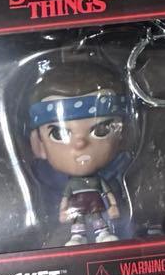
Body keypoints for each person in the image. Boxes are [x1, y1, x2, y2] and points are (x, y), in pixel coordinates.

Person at [26, 59, 129, 245]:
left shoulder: (119, 177)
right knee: (78, 225)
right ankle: (78, 237)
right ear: (38, 144)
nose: (80, 143)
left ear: (124, 135)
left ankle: (101, 234)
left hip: (98, 210)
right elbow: (64, 201)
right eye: (59, 134)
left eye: (101, 130)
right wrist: (62, 213)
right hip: (70, 221)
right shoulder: (45, 187)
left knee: (99, 221)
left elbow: (110, 195)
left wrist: (113, 206)